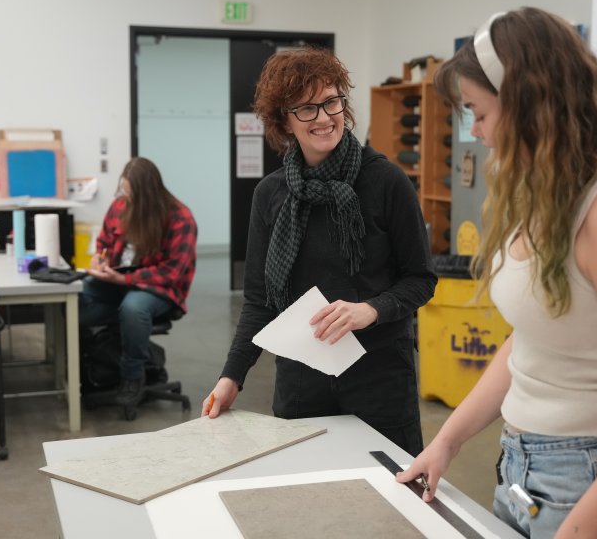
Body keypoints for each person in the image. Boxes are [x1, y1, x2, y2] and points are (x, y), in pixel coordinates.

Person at [396, 8, 597, 537]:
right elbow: (533, 340)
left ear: (527, 103)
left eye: (480, 113)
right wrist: (447, 440)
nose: (478, 133)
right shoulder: (551, 193)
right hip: (526, 470)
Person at [202, 47, 437, 456]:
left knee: (390, 487)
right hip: (302, 380)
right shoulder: (271, 195)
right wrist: (231, 377)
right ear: (284, 121)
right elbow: (259, 301)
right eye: (306, 108)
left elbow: (421, 278)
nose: (324, 117)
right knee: (304, 486)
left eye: (331, 101)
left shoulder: (386, 182)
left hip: (380, 377)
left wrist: (370, 310)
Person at [80, 157, 197, 408]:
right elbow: (103, 243)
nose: (127, 199)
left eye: (132, 194)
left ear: (149, 194)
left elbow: (171, 272)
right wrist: (99, 259)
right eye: (124, 191)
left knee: (133, 308)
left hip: (160, 288)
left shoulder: (181, 218)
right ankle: (90, 366)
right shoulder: (119, 206)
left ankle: (133, 376)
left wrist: (125, 278)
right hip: (118, 282)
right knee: (80, 296)